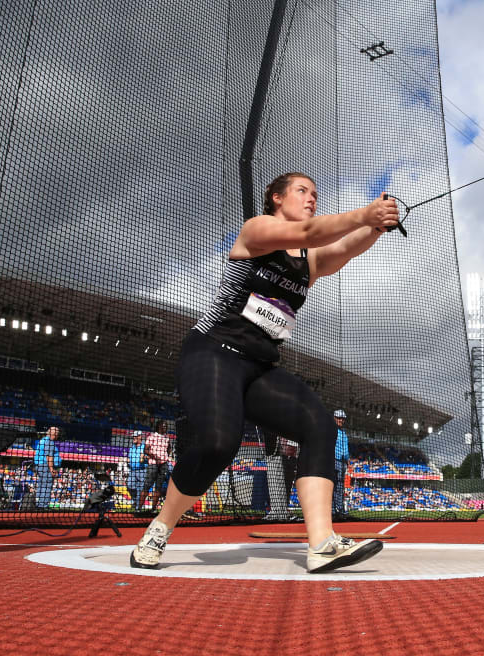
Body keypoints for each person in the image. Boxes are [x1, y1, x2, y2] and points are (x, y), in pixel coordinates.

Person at [131, 172, 398, 572]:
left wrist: (377, 225)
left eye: (315, 195)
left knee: (320, 426)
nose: (311, 199)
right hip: (213, 351)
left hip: (259, 366)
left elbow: (342, 251)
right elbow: (311, 230)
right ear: (276, 198)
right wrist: (365, 213)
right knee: (220, 444)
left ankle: (322, 543)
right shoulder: (256, 230)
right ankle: (159, 529)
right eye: (302, 191)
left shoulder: (308, 261)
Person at [139, 420, 171, 514]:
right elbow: (146, 450)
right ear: (158, 427)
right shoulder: (151, 436)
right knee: (147, 485)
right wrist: (154, 455)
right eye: (163, 426)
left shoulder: (166, 438)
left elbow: (169, 448)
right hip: (153, 463)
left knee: (159, 487)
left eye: (166, 426)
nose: (165, 428)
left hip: (163, 464)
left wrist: (165, 456)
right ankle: (139, 508)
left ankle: (153, 509)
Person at [33, 426, 61, 509]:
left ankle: (39, 503)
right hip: (45, 466)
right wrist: (51, 469)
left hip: (40, 465)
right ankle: (43, 505)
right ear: (54, 434)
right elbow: (49, 456)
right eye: (57, 434)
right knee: (47, 485)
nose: (58, 436)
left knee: (42, 484)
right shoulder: (49, 442)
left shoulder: (43, 440)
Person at [332, 409, 349, 519]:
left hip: (343, 462)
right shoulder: (331, 430)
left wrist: (348, 461)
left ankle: (339, 508)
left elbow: (345, 449)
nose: (341, 420)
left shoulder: (343, 433)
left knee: (340, 486)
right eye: (339, 418)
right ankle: (333, 509)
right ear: (334, 418)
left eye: (342, 419)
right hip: (334, 460)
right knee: (333, 485)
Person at [126, 431, 147, 513]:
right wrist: (128, 461)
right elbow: (130, 458)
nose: (133, 438)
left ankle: (138, 508)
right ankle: (136, 501)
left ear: (140, 437)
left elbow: (149, 458)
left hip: (142, 471)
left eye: (135, 436)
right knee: (129, 486)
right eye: (133, 436)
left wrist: (144, 457)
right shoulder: (132, 448)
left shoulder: (144, 447)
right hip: (132, 471)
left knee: (140, 490)